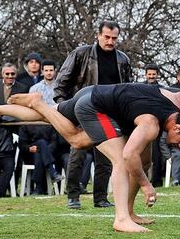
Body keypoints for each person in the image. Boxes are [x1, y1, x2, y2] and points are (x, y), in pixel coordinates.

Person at [0, 83, 180, 233]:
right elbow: (130, 155)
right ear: (177, 127)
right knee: (111, 154)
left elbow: (178, 156)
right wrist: (145, 185)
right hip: (95, 104)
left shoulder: (178, 107)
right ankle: (121, 219)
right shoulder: (153, 125)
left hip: (102, 96)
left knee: (54, 118)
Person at [53, 20, 132, 209]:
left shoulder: (122, 59)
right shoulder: (81, 54)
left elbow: (128, 87)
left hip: (110, 112)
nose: (110, 41)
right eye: (107, 37)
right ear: (98, 35)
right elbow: (61, 82)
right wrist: (63, 108)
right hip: (83, 109)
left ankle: (101, 197)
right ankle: (73, 195)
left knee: (106, 157)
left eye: (114, 38)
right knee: (77, 154)